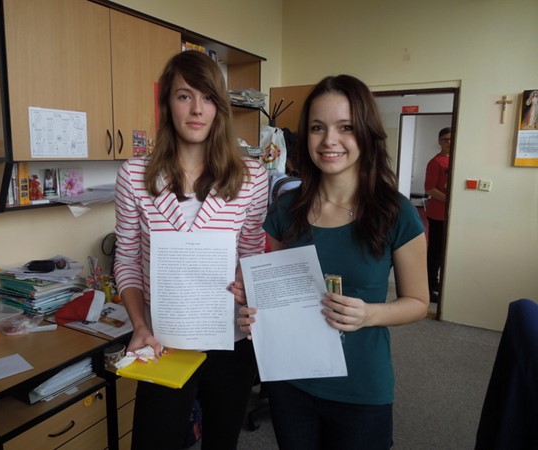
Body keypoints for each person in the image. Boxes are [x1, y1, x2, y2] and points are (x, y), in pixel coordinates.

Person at [236, 75, 429, 450]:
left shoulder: (396, 213)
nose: (329, 140)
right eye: (317, 128)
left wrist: (368, 314)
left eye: (346, 127)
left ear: (366, 133)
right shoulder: (286, 209)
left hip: (360, 386)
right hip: (291, 379)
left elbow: (419, 302)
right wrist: (253, 309)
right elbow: (277, 292)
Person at [113, 50, 268, 450]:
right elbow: (127, 259)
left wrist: (247, 284)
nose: (197, 109)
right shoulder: (135, 175)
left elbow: (252, 255)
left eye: (208, 97)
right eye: (184, 96)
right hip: (162, 341)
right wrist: (140, 326)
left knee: (221, 442)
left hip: (230, 339)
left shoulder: (251, 177)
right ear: (167, 104)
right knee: (153, 442)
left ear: (219, 107)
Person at [424, 127, 451, 302]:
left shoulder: (455, 159)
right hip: (437, 214)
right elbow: (430, 189)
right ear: (440, 141)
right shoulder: (436, 162)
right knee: (435, 252)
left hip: (450, 215)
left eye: (451, 139)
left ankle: (438, 283)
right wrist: (450, 200)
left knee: (445, 251)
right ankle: (429, 286)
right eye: (445, 139)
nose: (449, 142)